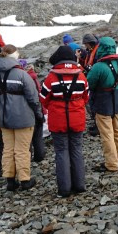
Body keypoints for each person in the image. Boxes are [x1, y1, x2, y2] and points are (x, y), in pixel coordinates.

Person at [0, 45, 42, 191]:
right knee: (22, 149)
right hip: (23, 116)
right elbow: (33, 98)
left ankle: (10, 180)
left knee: (8, 149)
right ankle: (24, 179)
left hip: (4, 117)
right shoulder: (22, 74)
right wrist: (39, 115)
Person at [41, 45, 89, 196]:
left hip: (58, 119)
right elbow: (87, 96)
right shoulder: (81, 76)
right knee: (76, 149)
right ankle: (79, 185)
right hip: (77, 118)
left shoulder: (51, 77)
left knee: (61, 152)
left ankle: (64, 189)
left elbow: (43, 98)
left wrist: (55, 105)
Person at [86, 36, 118, 172]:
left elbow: (89, 84)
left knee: (106, 134)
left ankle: (111, 164)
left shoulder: (99, 67)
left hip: (103, 103)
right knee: (117, 130)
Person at [19, 57, 46, 163]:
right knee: (38, 135)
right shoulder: (34, 77)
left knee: (27, 137)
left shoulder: (23, 79)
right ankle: (39, 155)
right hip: (39, 108)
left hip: (29, 111)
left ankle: (28, 157)